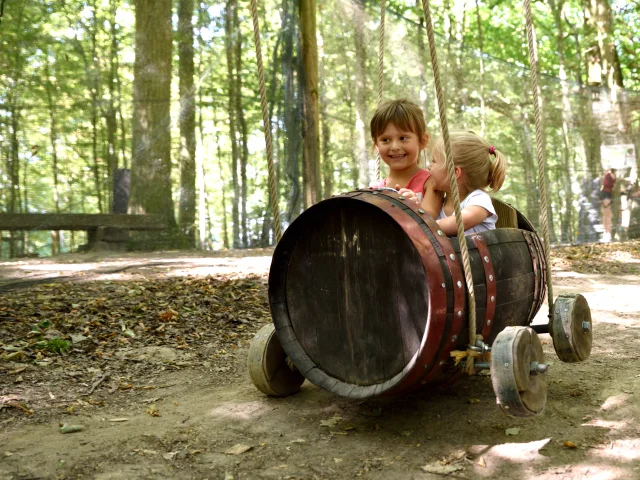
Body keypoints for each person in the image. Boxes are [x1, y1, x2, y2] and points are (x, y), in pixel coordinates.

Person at [369, 99, 442, 218]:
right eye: (385, 140)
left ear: (422, 141)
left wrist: (414, 207)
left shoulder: (432, 182)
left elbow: (431, 217)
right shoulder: (375, 190)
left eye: (403, 138)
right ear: (377, 145)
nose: (395, 147)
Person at [427, 131, 507, 235]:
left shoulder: (479, 199)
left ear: (455, 172)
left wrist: (424, 228)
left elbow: (462, 223)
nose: (429, 166)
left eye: (434, 161)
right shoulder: (438, 202)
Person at [600, 167, 617, 241]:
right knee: (606, 214)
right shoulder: (611, 175)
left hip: (607, 194)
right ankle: (606, 233)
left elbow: (606, 185)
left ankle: (607, 234)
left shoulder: (609, 175)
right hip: (607, 194)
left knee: (607, 214)